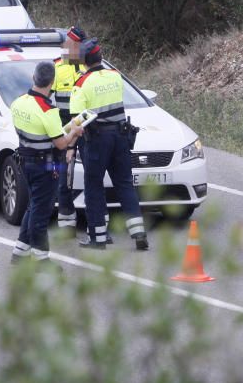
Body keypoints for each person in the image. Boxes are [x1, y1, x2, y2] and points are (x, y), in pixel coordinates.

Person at [69, 40, 149, 251]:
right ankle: (138, 231)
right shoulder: (115, 76)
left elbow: (77, 119)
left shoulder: (82, 83)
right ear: (100, 57)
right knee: (124, 183)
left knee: (93, 186)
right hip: (120, 136)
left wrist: (66, 139)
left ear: (84, 61)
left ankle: (97, 237)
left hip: (97, 140)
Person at [11, 61, 84, 263]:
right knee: (40, 214)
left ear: (33, 78)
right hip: (46, 166)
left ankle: (20, 253)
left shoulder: (18, 102)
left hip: (25, 162)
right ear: (52, 82)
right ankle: (41, 260)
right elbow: (61, 144)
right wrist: (75, 132)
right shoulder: (48, 110)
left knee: (33, 206)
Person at [52, 26, 88, 234]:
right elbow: (48, 101)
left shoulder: (89, 68)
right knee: (64, 176)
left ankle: (97, 223)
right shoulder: (57, 67)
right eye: (66, 43)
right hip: (66, 129)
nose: (66, 47)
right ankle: (66, 223)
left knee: (93, 176)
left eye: (70, 44)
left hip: (88, 130)